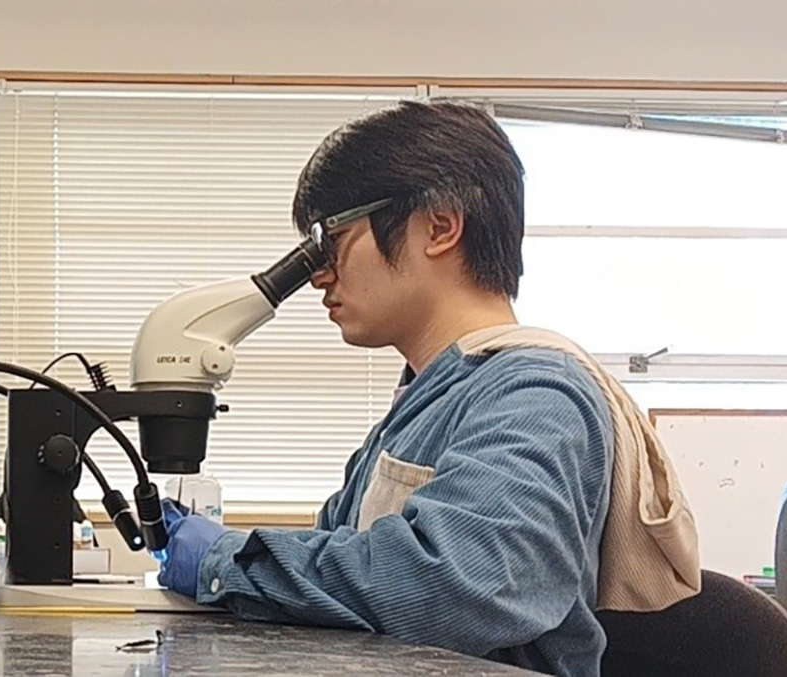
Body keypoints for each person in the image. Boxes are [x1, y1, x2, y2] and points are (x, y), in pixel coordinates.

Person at [158, 100, 695, 677]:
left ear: (439, 227)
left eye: (330, 239)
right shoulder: (423, 403)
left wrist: (222, 559)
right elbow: (338, 578)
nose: (318, 274)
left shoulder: (535, 394)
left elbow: (464, 584)